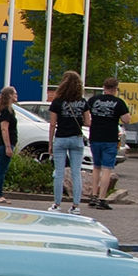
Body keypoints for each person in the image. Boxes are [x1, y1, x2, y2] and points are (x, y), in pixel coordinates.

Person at [47, 70, 90, 213]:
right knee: (76, 173)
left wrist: (50, 143)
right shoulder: (82, 102)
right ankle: (76, 206)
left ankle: (57, 204)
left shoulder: (57, 102)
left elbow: (52, 124)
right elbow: (88, 122)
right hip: (77, 138)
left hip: (61, 138)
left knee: (59, 173)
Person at [86, 77, 132, 209]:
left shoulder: (94, 100)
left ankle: (93, 196)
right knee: (107, 169)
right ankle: (102, 198)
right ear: (115, 89)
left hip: (95, 136)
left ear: (104, 87)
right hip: (110, 138)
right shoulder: (118, 102)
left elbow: (87, 116)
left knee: (96, 167)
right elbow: (126, 119)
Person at [0, 85, 18, 204]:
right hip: (5, 143)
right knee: (2, 169)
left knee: (0, 168)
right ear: (10, 95)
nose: (16, 95)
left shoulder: (5, 110)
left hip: (4, 143)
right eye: (14, 93)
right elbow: (4, 129)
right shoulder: (7, 111)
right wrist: (8, 146)